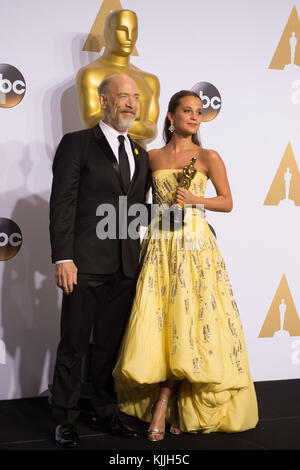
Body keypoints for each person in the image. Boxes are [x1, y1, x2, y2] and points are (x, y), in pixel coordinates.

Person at [113, 90, 259, 441]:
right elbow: (138, 205)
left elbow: (227, 202)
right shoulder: (152, 157)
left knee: (191, 324)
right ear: (170, 116)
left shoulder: (208, 156)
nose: (194, 117)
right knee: (163, 327)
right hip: (161, 246)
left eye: (198, 112)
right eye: (187, 111)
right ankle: (168, 403)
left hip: (196, 248)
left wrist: (196, 199)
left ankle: (164, 406)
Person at [49, 74, 151, 448]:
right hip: (84, 264)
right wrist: (64, 257)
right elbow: (63, 205)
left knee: (109, 347)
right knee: (73, 344)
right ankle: (64, 418)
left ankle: (105, 410)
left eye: (135, 98)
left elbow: (138, 210)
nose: (130, 104)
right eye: (122, 96)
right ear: (103, 100)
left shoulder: (140, 153)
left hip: (126, 266)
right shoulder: (77, 144)